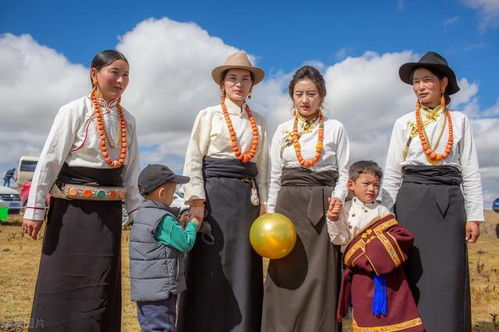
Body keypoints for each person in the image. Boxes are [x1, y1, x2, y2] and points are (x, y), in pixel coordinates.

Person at [22, 50, 141, 331]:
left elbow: (132, 170)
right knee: (62, 280)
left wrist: (138, 214)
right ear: (94, 74)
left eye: (126, 75)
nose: (121, 80)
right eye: (114, 72)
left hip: (109, 216)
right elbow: (50, 159)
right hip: (71, 214)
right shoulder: (73, 110)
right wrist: (35, 209)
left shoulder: (129, 121)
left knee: (101, 282)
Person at [383, 51, 484, 331]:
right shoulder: (403, 123)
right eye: (416, 81)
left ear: (443, 83)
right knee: (411, 273)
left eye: (427, 80)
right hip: (411, 202)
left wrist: (474, 215)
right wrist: (386, 215)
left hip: (450, 203)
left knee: (448, 276)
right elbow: (393, 171)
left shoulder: (460, 121)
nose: (420, 87)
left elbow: (471, 170)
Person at [177, 51, 269, 332]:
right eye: (233, 78)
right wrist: (196, 200)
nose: (239, 84)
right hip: (212, 198)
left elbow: (263, 166)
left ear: (252, 86)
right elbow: (193, 159)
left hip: (246, 202)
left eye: (245, 79)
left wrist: (265, 203)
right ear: (222, 84)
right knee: (208, 265)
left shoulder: (261, 122)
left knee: (243, 266)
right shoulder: (208, 116)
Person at [261, 65, 349, 331]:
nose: (305, 100)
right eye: (299, 94)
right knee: (285, 272)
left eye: (311, 93)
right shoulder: (283, 129)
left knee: (320, 276)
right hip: (288, 209)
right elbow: (274, 176)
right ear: (292, 97)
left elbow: (343, 173)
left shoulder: (335, 128)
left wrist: (338, 198)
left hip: (323, 209)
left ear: (322, 96)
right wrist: (272, 213)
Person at [328, 160, 424, 331]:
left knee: (391, 318)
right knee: (366, 319)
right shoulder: (345, 209)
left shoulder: (383, 212)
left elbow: (396, 239)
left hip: (387, 278)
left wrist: (373, 255)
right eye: (366, 184)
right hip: (360, 277)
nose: (372, 189)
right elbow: (340, 239)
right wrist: (334, 220)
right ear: (351, 184)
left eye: (376, 185)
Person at [130, 164, 202, 332]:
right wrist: (192, 225)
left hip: (147, 291)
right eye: (173, 191)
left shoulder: (143, 214)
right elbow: (185, 242)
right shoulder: (162, 219)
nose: (173, 196)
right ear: (162, 193)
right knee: (163, 328)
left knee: (150, 327)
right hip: (161, 292)